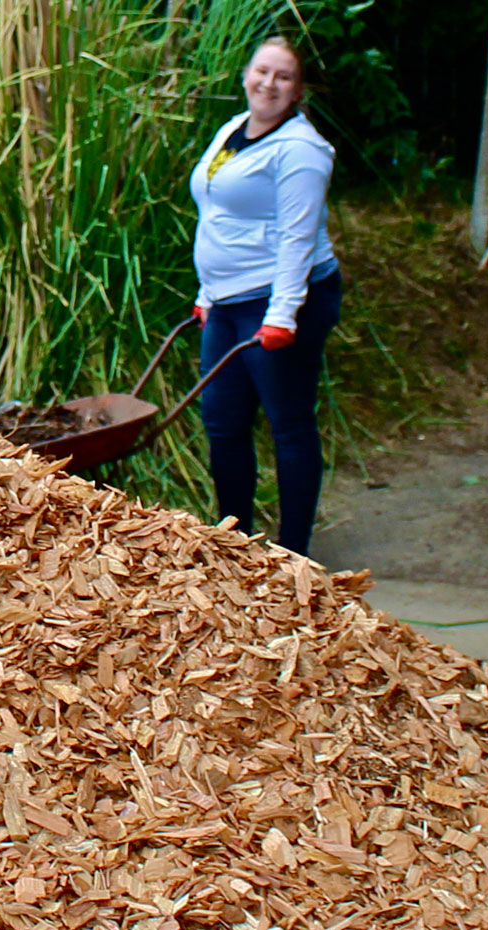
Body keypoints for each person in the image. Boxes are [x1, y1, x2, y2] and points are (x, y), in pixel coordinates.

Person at [189, 37, 341, 556]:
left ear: (298, 90)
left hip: (282, 301)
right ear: (247, 74)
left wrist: (282, 317)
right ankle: (234, 542)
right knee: (223, 421)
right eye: (262, 71)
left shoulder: (301, 151)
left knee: (288, 420)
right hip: (229, 302)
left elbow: (298, 238)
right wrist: (208, 293)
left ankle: (293, 551)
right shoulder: (233, 129)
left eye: (282, 77)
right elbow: (218, 217)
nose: (268, 84)